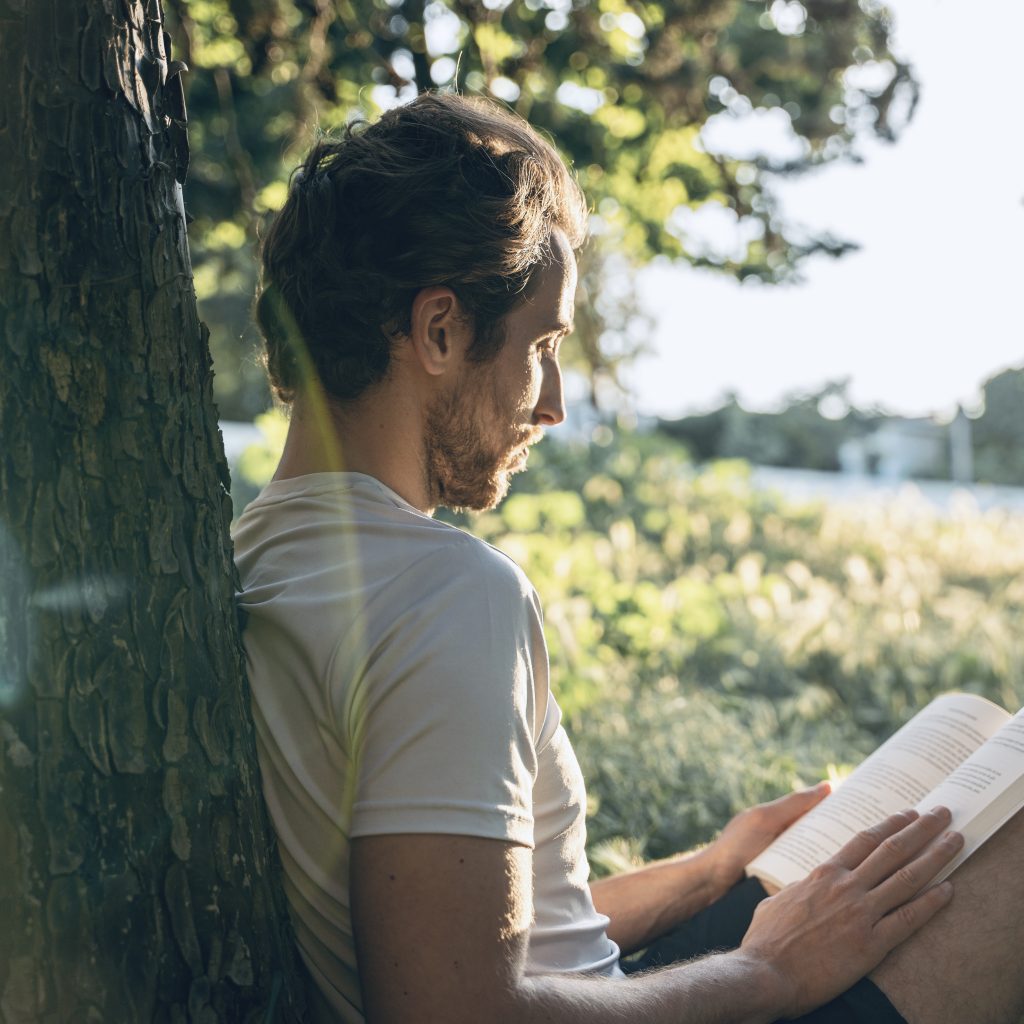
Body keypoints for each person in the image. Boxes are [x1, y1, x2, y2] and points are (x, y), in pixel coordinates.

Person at [233, 92, 1024, 1024]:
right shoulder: (445, 595)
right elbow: (454, 1009)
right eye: (543, 345)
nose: (554, 403)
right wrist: (770, 975)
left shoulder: (255, 555)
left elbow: (474, 931)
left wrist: (712, 871)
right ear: (440, 330)